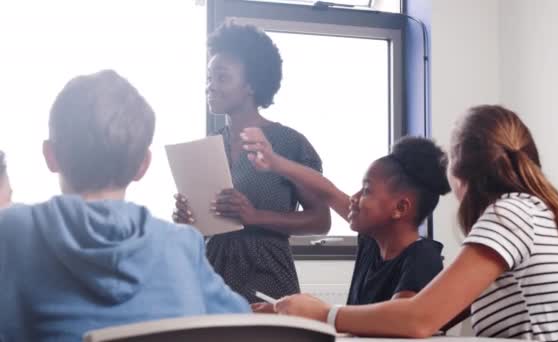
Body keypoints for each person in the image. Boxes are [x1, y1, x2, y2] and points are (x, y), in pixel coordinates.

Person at [274, 105, 558, 340]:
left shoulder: (509, 214)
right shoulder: (542, 212)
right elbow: (434, 311)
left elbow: (419, 318)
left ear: (460, 172)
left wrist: (322, 314)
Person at [0, 70, 250, 342]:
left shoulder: (14, 232)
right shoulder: (182, 244)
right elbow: (244, 324)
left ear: (50, 156)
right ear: (143, 165)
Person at [174, 22, 331, 303]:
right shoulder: (209, 146)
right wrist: (189, 220)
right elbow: (206, 227)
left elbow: (321, 220)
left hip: (267, 278)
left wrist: (255, 216)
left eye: (222, 78)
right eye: (209, 77)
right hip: (211, 278)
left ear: (251, 85)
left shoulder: (289, 143)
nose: (210, 86)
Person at [242, 128, 449, 308]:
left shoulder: (423, 258)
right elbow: (328, 191)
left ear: (400, 208)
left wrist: (320, 314)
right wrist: (275, 163)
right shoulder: (372, 244)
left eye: (367, 190)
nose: (354, 198)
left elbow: (399, 318)